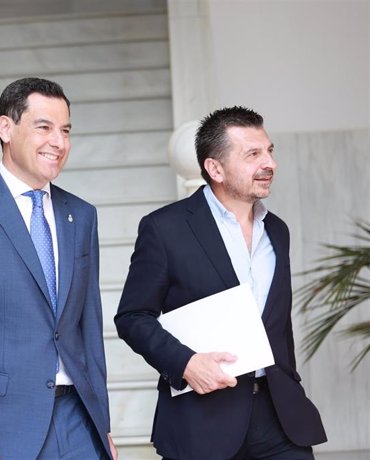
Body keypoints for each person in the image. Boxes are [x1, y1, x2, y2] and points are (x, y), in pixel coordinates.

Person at [115, 106, 327, 459]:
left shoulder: (277, 230)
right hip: (203, 423)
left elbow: (278, 322)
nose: (269, 163)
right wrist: (185, 363)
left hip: (280, 417)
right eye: (253, 154)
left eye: (270, 151)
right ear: (215, 168)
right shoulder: (164, 228)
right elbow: (133, 317)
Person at [0, 77, 117, 459]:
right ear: (6, 128)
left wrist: (103, 424)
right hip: (0, 423)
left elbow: (88, 329)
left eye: (65, 130)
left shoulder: (82, 215)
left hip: (78, 419)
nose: (58, 142)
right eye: (43, 127)